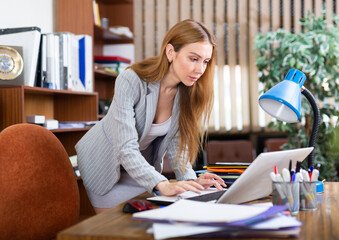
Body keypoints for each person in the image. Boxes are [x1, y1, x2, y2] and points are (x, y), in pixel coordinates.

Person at [75, 19, 226, 214]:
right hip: (103, 165)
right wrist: (162, 184)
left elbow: (177, 146)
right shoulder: (131, 80)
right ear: (171, 52)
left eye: (205, 61)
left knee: (147, 226)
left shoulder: (186, 93)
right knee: (116, 230)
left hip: (139, 172)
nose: (200, 70)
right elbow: (125, 147)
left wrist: (191, 182)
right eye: (193, 58)